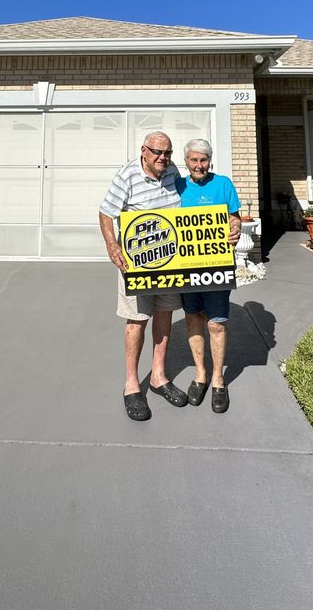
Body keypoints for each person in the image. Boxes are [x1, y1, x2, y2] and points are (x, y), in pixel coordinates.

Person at [99, 131, 188, 421]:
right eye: (157, 152)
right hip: (137, 262)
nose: (163, 158)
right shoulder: (126, 176)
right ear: (144, 151)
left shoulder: (172, 170)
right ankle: (131, 385)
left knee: (165, 314)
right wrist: (113, 245)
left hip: (170, 260)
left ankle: (158, 377)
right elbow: (105, 212)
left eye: (168, 153)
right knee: (137, 319)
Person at [177, 139, 241, 413]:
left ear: (210, 161)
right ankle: (200, 374)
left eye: (203, 160)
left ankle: (218, 379)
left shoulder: (223, 183)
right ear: (186, 162)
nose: (199, 165)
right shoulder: (178, 186)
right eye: (194, 160)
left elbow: (234, 217)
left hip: (217, 266)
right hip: (187, 267)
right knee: (193, 320)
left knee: (216, 324)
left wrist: (235, 229)